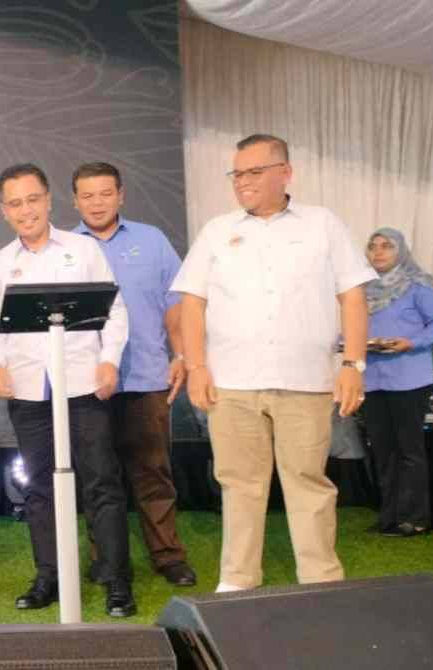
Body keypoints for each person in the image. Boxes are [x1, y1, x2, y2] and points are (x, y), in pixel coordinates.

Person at [172, 134, 377, 592]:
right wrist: (198, 366)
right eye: (237, 174)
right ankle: (238, 583)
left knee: (308, 483)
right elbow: (192, 303)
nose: (243, 182)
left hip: (305, 380)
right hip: (232, 382)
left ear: (285, 172)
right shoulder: (217, 230)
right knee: (240, 486)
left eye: (254, 172)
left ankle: (321, 583)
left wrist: (353, 365)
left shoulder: (323, 224)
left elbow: (353, 296)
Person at [0, 163, 136, 617]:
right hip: (30, 392)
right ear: (4, 211)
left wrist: (109, 360)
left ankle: (115, 581)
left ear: (48, 201)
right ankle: (48, 575)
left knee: (102, 483)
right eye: (15, 203)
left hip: (85, 385)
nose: (25, 210)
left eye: (32, 200)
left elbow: (115, 310)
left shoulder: (83, 249)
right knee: (39, 489)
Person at [71, 161, 196, 587]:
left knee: (154, 473)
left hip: (145, 376)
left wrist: (180, 353)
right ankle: (106, 560)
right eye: (87, 195)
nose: (97, 202)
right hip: (87, 385)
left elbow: (175, 302)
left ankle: (168, 556)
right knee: (97, 478)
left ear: (121, 195)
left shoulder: (152, 240)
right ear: (75, 201)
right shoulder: (66, 247)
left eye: (105, 193)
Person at [362, 228, 433, 537]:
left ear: (401, 250)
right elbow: (353, 328)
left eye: (386, 246)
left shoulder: (417, 285)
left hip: (409, 378)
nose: (378, 252)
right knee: (383, 450)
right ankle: (388, 517)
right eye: (373, 247)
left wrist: (410, 343)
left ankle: (415, 518)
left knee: (409, 451)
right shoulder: (363, 289)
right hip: (372, 380)